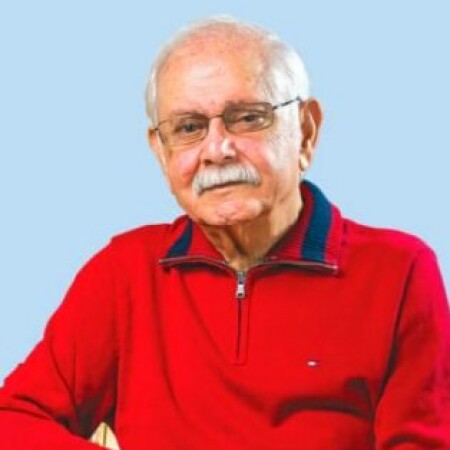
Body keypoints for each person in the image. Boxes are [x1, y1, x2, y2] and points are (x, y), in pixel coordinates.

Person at [0, 15, 449, 450]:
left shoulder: (399, 272)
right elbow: (13, 419)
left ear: (306, 130)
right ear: (161, 151)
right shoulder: (125, 271)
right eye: (189, 128)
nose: (217, 150)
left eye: (248, 117)